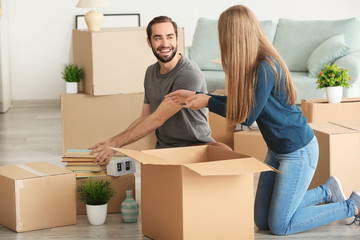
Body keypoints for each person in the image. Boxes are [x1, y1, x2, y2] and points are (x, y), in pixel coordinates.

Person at [164, 5, 360, 235]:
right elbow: (240, 103)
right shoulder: (250, 66)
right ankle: (327, 191)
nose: (222, 42)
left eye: (224, 35)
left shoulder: (265, 67)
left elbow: (248, 116)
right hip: (277, 151)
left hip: (298, 151)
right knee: (262, 220)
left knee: (280, 226)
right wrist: (201, 96)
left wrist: (207, 102)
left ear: (236, 36)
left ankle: (351, 205)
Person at [89, 16, 231, 165]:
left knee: (225, 152)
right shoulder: (150, 72)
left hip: (196, 147)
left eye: (170, 37)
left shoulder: (189, 74)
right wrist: (112, 141)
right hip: (165, 150)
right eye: (158, 38)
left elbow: (157, 118)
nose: (165, 44)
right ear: (149, 42)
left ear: (177, 39)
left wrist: (116, 143)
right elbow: (146, 116)